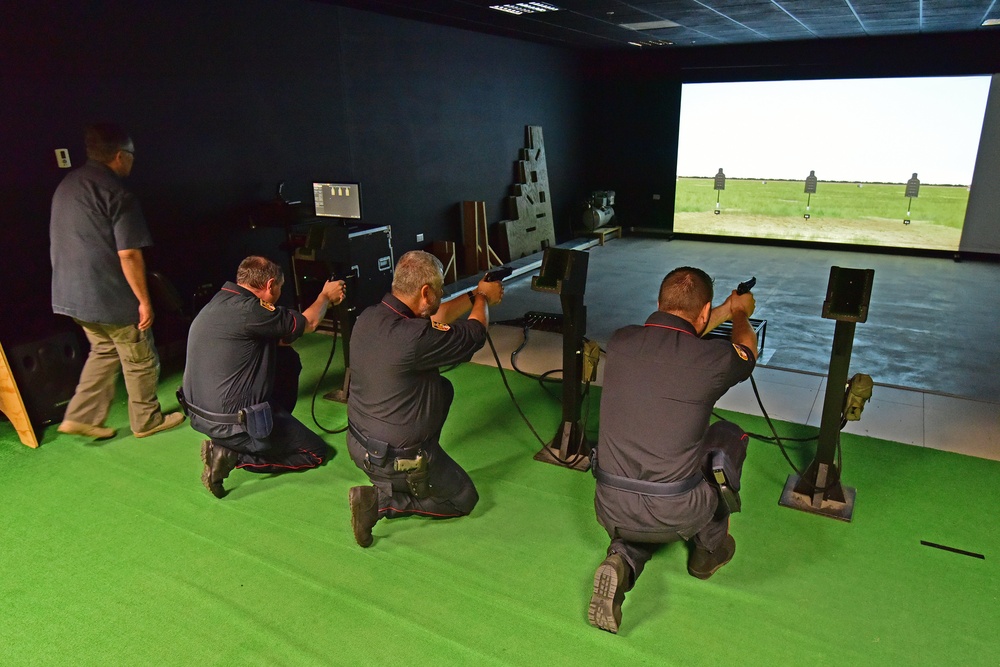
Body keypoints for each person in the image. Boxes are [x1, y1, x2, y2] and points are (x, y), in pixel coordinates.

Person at [587, 267, 758, 634]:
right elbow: (746, 350)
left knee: (641, 495)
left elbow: (677, 336)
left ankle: (622, 558)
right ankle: (708, 553)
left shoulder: (621, 341)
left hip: (610, 505)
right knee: (729, 435)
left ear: (660, 303)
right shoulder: (713, 360)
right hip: (679, 511)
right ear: (704, 310)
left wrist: (721, 309)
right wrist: (739, 312)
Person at [346, 250, 503, 547]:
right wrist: (483, 300)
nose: (443, 294)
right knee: (464, 498)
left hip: (358, 444)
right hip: (394, 458)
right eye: (441, 289)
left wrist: (473, 294)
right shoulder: (414, 338)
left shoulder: (370, 316)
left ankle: (402, 477)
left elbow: (432, 320)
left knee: (442, 388)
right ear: (426, 291)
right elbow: (474, 334)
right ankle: (381, 502)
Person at [50, 123, 185, 440]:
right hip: (107, 295)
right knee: (140, 355)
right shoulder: (118, 193)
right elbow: (129, 254)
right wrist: (144, 301)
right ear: (121, 156)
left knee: (104, 350)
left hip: (69, 294)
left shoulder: (68, 184)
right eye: (132, 155)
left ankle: (80, 416)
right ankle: (147, 420)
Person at [181, 256, 346, 498]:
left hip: (200, 414)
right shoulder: (252, 310)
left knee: (286, 358)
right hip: (231, 424)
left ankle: (256, 433)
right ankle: (233, 455)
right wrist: (325, 297)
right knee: (315, 452)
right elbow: (309, 323)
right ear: (270, 285)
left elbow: (276, 337)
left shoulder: (220, 301)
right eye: (280, 288)